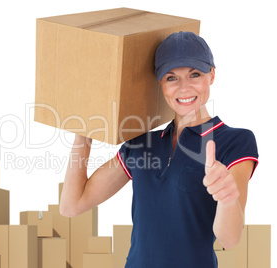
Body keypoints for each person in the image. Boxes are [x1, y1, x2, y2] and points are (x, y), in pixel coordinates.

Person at [59, 31, 258, 267]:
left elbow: (230, 239)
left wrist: (227, 198)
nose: (184, 88)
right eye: (171, 78)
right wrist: (83, 130)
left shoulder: (234, 141)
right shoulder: (141, 144)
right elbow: (72, 205)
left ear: (212, 75)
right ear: (160, 83)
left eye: (195, 74)